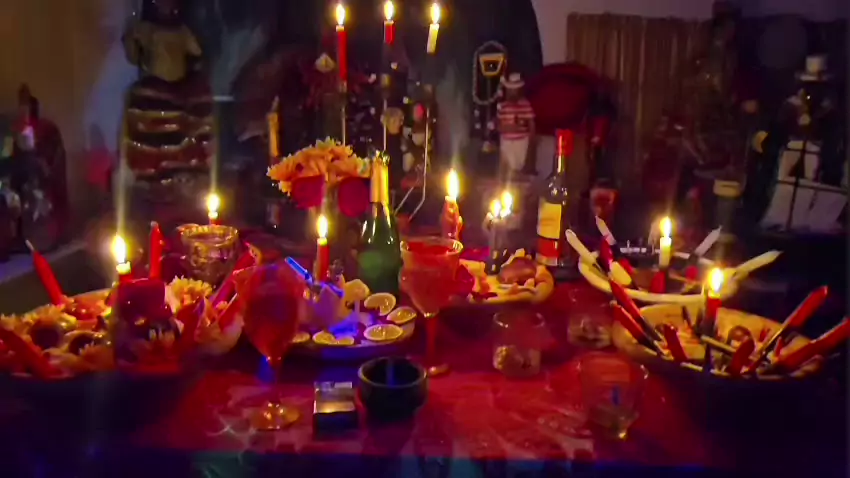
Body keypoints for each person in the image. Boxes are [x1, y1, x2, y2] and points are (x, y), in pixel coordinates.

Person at [496, 73, 535, 175]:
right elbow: (498, 123)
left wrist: (532, 138)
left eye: (515, 90)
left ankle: (518, 180)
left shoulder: (525, 104)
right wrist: (504, 129)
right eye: (510, 90)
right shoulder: (503, 106)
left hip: (521, 140)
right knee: (507, 164)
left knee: (519, 164)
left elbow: (531, 122)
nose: (512, 92)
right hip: (506, 140)